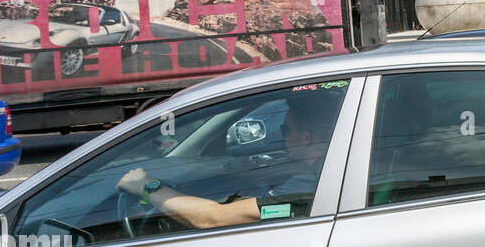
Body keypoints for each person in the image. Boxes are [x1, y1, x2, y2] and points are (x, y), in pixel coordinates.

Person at [116, 93, 333, 230]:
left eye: (284, 130)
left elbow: (213, 218)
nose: (283, 137)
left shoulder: (306, 186)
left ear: (306, 138)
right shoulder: (332, 170)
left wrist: (147, 186)